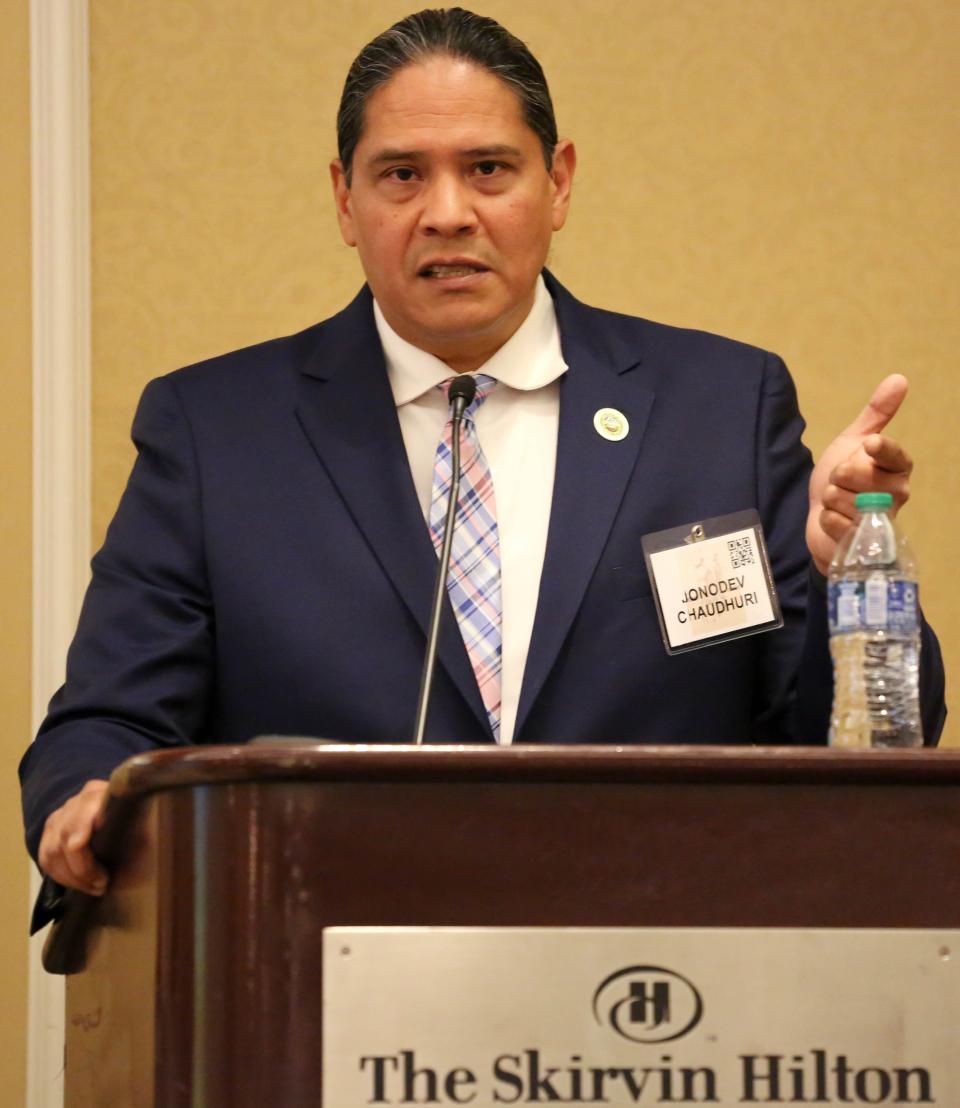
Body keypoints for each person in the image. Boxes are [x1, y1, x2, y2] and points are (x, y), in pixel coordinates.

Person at [21, 8, 945, 917]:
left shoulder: (718, 409)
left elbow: (846, 747)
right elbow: (108, 722)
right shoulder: (217, 431)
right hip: (325, 969)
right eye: (402, 175)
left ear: (560, 182)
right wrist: (92, 800)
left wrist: (844, 578)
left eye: (489, 169)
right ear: (346, 199)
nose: (448, 213)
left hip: (661, 974)